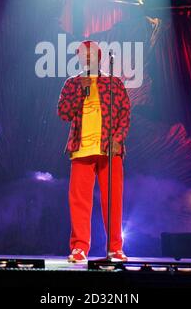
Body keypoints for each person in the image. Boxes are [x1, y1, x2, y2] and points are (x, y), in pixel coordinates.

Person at [57, 40, 131, 263]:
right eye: (82, 54)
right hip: (81, 149)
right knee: (79, 201)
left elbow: (125, 114)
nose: (87, 57)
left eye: (91, 54)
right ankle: (79, 248)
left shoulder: (114, 83)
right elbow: (64, 113)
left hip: (109, 150)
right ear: (78, 58)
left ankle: (114, 248)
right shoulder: (72, 84)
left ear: (99, 57)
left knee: (113, 201)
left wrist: (118, 139)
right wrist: (81, 90)